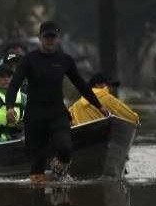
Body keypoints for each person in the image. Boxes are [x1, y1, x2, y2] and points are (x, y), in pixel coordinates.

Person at [7, 21, 110, 184]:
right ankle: (39, 199)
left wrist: (99, 105)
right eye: (46, 36)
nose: (50, 40)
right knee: (37, 167)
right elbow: (14, 84)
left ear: (58, 38)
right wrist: (10, 107)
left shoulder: (65, 60)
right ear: (40, 38)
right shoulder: (29, 60)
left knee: (65, 149)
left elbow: (81, 85)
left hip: (57, 115)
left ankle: (57, 178)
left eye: (53, 37)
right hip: (35, 118)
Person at [69, 72, 140, 126]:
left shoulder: (75, 106)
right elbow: (133, 118)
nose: (111, 89)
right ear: (97, 85)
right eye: (108, 85)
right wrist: (136, 119)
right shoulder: (108, 99)